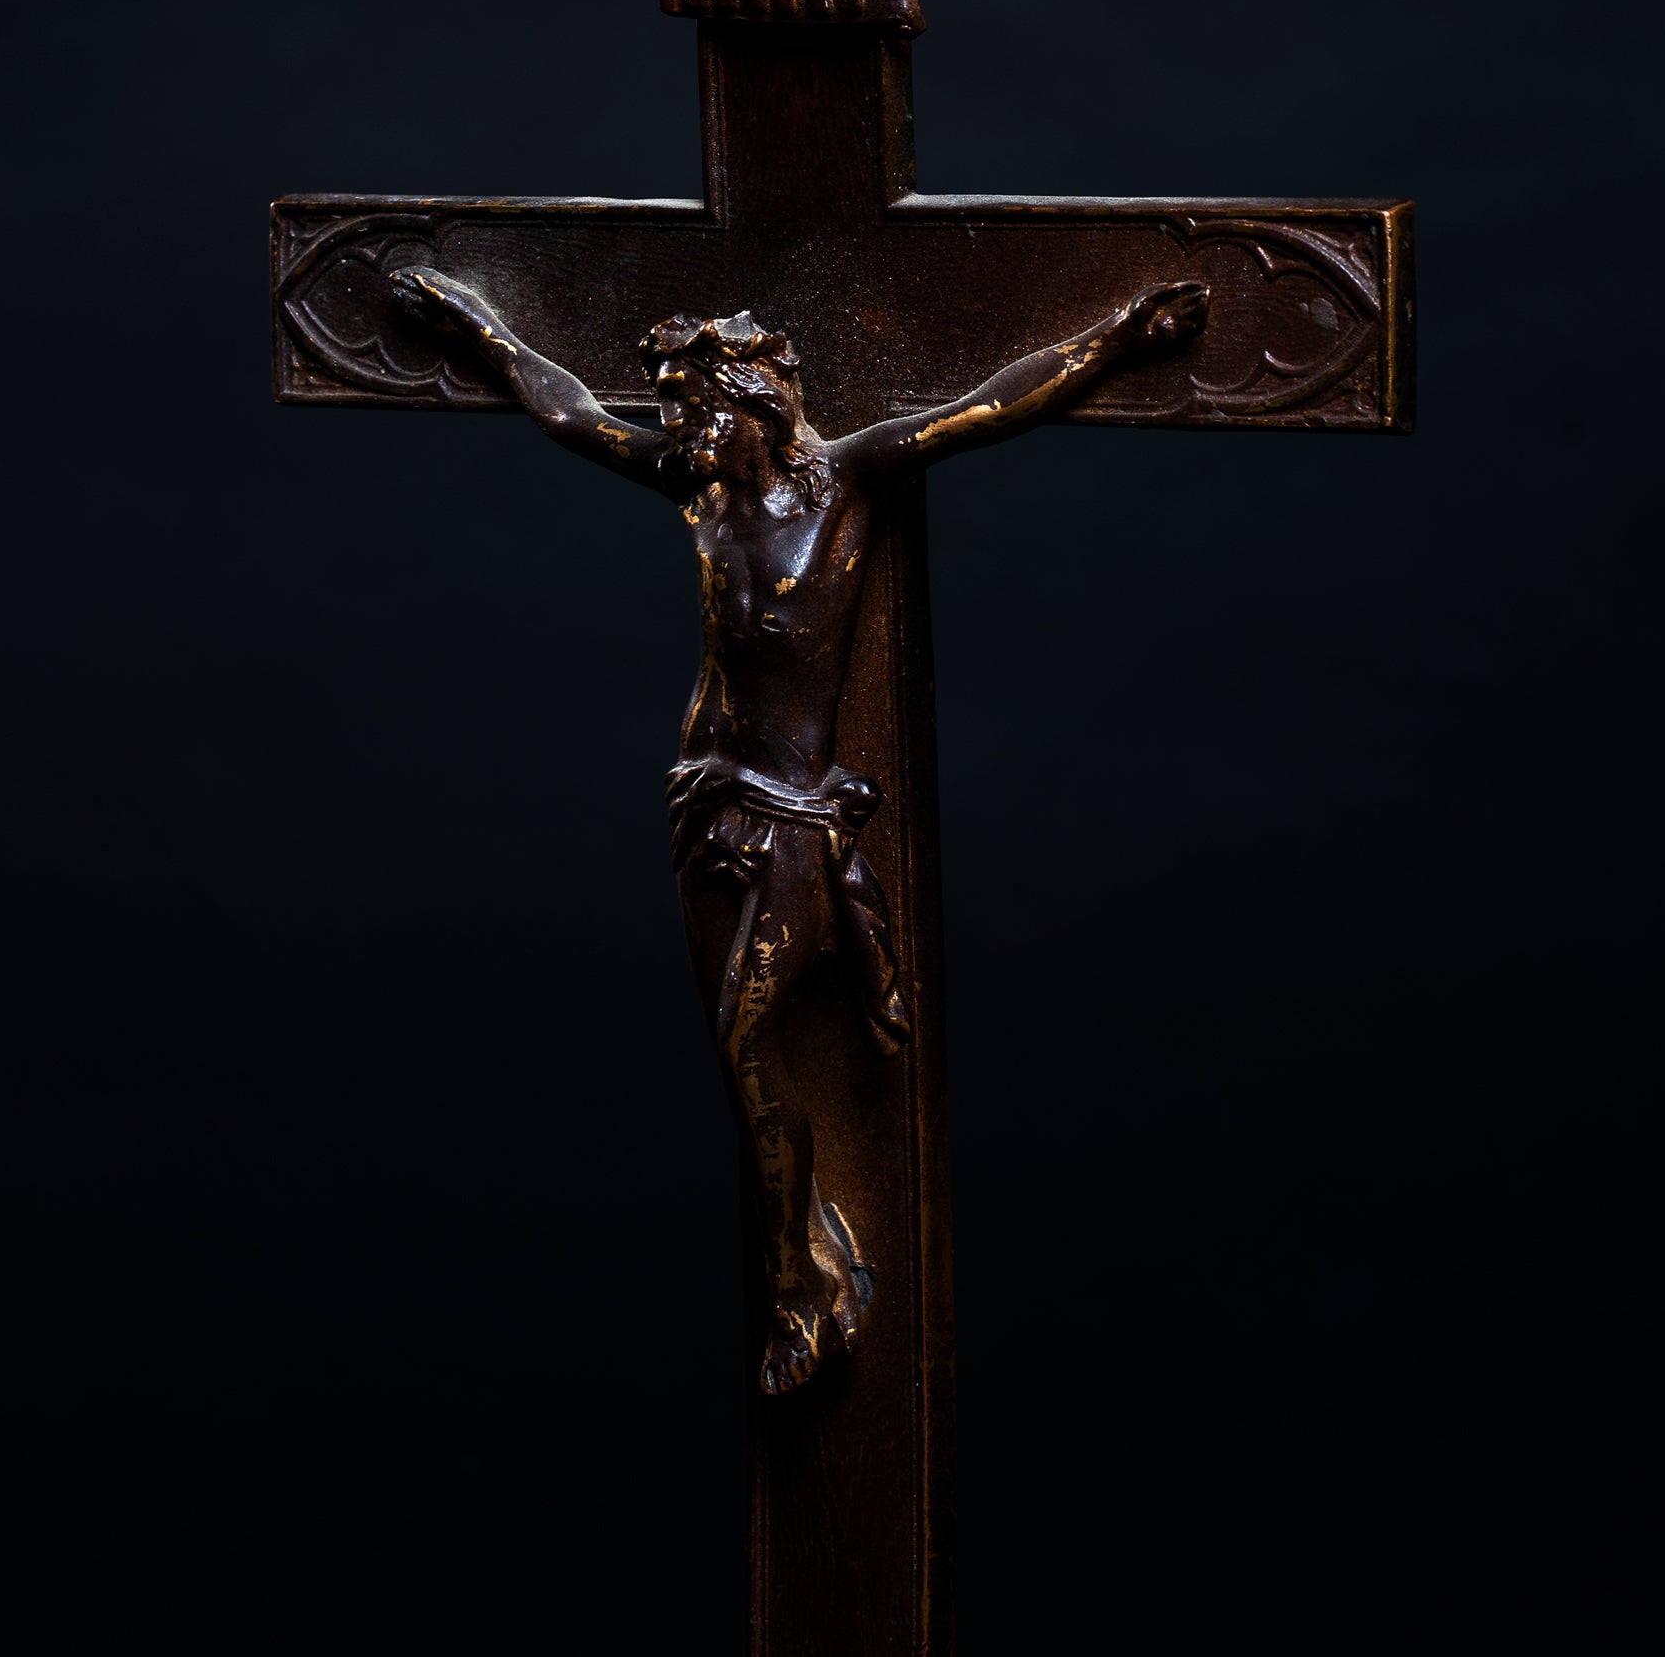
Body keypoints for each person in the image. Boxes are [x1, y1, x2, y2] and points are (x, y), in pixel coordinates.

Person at [395, 264, 1207, 1395]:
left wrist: (1117, 337)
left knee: (746, 1043)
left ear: (755, 404)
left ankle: (798, 1290)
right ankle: (812, 1243)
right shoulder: (693, 490)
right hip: (704, 803)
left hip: (791, 813)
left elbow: (987, 407)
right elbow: (568, 409)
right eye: (672, 413)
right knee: (734, 1057)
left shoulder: (848, 480)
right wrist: (479, 327)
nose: (680, 432)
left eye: (695, 410)